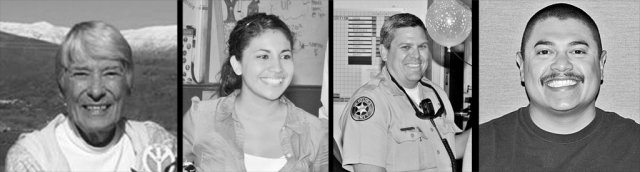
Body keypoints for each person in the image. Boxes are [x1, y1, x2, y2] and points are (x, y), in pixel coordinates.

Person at [479, 3, 640, 171]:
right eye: (544, 52)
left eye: (577, 51)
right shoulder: (481, 146)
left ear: (600, 65)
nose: (562, 65)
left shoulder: (634, 145)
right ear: (521, 66)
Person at [5, 21, 177, 172]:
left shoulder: (157, 144)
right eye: (81, 74)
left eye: (110, 73)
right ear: (62, 86)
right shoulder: (32, 157)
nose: (96, 91)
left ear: (128, 83)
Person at [182, 13, 328, 171]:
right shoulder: (201, 118)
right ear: (237, 65)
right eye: (264, 56)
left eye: (285, 56)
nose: (278, 68)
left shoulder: (315, 132)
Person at [335, 13, 470, 172]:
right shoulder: (370, 102)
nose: (416, 56)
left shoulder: (436, 93)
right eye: (405, 47)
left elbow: (449, 147)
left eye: (422, 46)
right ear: (384, 52)